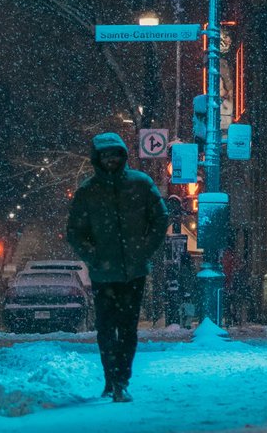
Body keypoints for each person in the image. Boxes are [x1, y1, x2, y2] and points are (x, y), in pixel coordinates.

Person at [66, 132, 168, 403]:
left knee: (128, 328)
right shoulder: (88, 191)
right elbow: (74, 231)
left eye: (115, 154)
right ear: (97, 159)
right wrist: (94, 255)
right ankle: (111, 380)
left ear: (123, 156)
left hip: (133, 272)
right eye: (105, 155)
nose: (110, 160)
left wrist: (144, 250)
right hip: (103, 273)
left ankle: (122, 379)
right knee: (105, 328)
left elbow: (160, 219)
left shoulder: (140, 184)